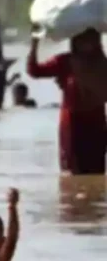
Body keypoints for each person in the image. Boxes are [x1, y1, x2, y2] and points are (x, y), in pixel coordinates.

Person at [27, 28, 107, 174]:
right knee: (71, 172)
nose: (86, 43)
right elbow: (35, 71)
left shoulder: (102, 65)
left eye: (90, 38)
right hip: (72, 125)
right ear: (75, 41)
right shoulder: (65, 62)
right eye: (82, 39)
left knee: (96, 171)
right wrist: (35, 43)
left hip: (96, 124)